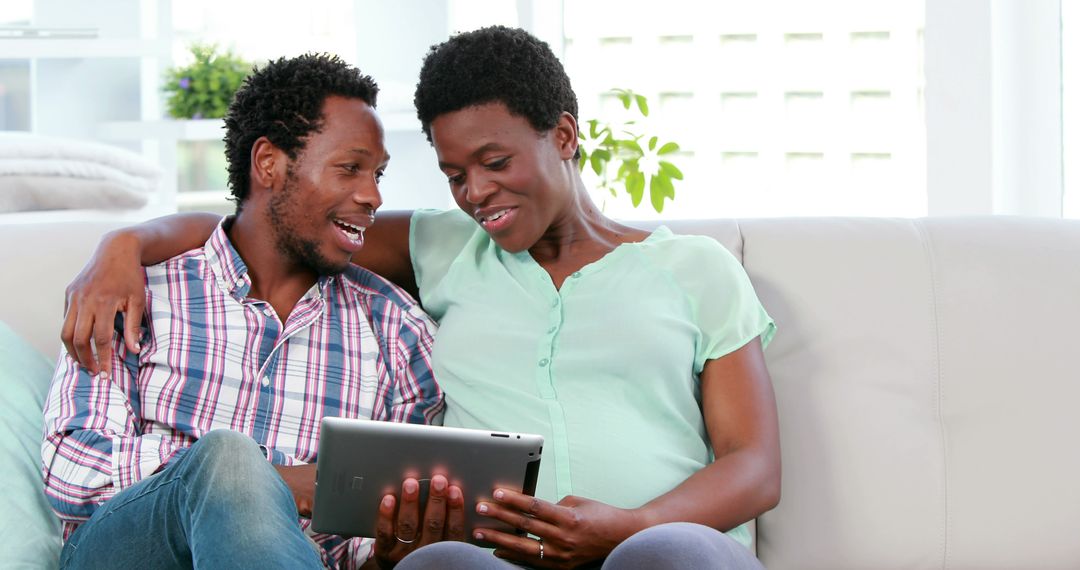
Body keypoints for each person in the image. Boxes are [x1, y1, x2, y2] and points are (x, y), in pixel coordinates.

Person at [61, 27, 780, 569]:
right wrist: (123, 244)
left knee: (675, 553)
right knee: (426, 557)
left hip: (650, 546)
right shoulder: (446, 249)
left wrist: (630, 524)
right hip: (486, 558)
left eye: (493, 163)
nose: (474, 194)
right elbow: (262, 225)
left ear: (564, 136)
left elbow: (754, 462)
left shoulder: (694, 268)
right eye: (454, 175)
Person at [41, 53, 459, 570]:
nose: (372, 195)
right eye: (350, 168)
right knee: (228, 458)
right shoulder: (139, 292)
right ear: (268, 164)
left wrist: (388, 554)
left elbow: (363, 543)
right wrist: (262, 480)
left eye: (377, 174)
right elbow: (70, 471)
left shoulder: (398, 332)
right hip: (129, 549)